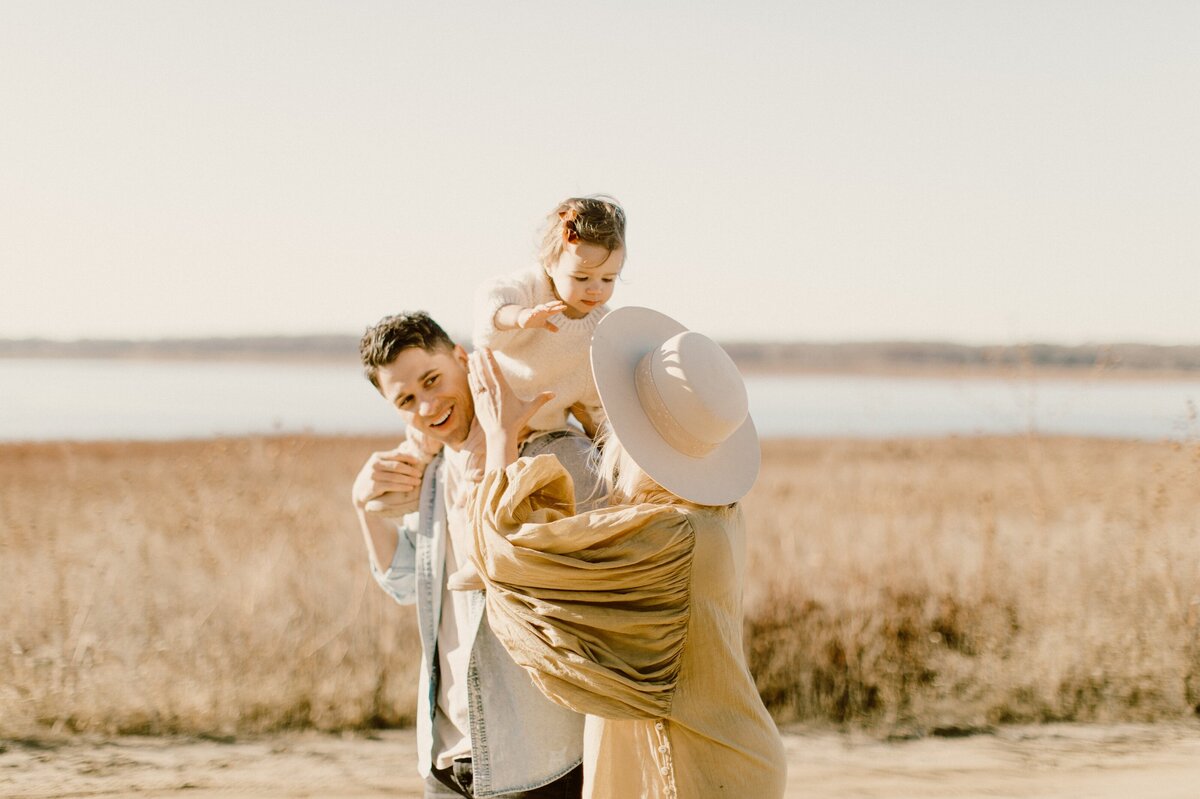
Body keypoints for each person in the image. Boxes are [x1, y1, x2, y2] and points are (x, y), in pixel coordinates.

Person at [465, 307, 787, 799]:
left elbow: (509, 551)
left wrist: (501, 437)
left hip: (689, 765)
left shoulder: (672, 537)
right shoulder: (716, 514)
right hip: (732, 756)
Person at [351, 311, 601, 799]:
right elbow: (408, 585)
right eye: (406, 400)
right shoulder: (432, 471)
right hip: (446, 758)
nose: (426, 405)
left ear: (462, 359)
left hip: (535, 756)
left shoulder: (556, 456)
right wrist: (363, 507)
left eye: (432, 380)